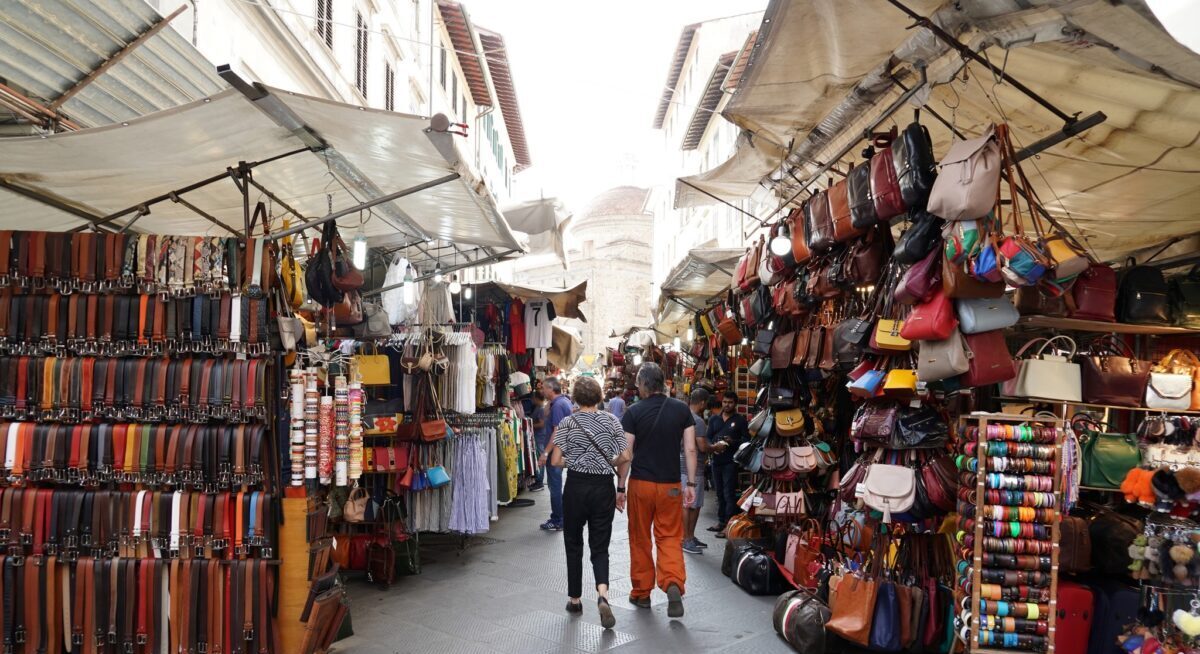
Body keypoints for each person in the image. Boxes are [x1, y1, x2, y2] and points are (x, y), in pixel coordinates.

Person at [547, 377, 628, 629]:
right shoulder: (612, 420)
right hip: (603, 487)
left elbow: (555, 461)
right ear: (600, 397)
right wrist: (608, 465)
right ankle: (602, 594)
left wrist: (575, 463)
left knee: (573, 542)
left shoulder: (568, 422)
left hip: (576, 488)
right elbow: (626, 455)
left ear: (575, 398)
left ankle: (575, 599)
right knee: (600, 545)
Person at [617, 362, 696, 618]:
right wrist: (691, 483)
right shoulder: (682, 410)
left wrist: (620, 487)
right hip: (671, 486)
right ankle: (673, 582)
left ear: (642, 384)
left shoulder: (633, 412)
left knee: (640, 537)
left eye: (637, 384)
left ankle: (641, 593)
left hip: (641, 484)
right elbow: (690, 449)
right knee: (670, 536)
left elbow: (626, 454)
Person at [682, 388, 719, 554]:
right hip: (693, 468)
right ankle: (687, 538)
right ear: (703, 402)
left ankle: (689, 536)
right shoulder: (698, 421)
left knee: (689, 504)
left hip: (681, 466)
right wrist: (716, 447)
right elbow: (702, 446)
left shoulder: (682, 415)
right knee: (692, 505)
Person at [707, 390, 747, 538]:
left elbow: (746, 440)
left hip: (731, 462)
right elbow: (708, 437)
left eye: (730, 402)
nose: (727, 405)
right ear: (721, 402)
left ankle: (729, 525)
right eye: (725, 402)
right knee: (719, 493)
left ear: (735, 404)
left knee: (729, 493)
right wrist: (713, 446)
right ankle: (721, 521)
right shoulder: (714, 419)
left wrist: (733, 442)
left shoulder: (740, 420)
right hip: (716, 461)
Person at [537, 377, 573, 531]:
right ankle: (561, 517)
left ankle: (558, 519)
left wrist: (545, 453)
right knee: (556, 485)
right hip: (561, 449)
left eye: (544, 388)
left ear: (551, 389)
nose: (542, 391)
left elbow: (556, 432)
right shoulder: (563, 402)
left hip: (555, 452)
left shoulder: (558, 405)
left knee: (555, 486)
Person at [529, 392, 548, 492]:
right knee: (538, 459)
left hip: (540, 437)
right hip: (538, 436)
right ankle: (538, 481)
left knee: (540, 459)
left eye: (533, 398)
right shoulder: (538, 408)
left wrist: (529, 426)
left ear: (536, 398)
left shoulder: (541, 409)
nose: (532, 400)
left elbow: (541, 424)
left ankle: (540, 482)